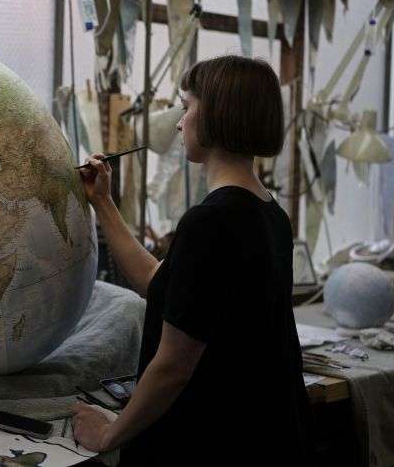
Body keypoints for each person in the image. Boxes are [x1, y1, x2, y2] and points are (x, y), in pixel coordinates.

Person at [71, 55, 314, 465]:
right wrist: (104, 203)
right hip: (266, 436)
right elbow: (160, 284)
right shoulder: (269, 214)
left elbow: (173, 366)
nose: (179, 123)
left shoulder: (211, 223)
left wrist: (110, 433)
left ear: (217, 115)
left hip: (209, 444)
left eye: (186, 107)